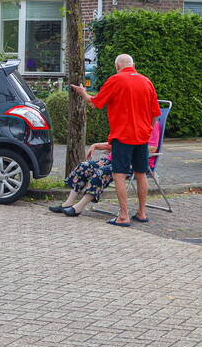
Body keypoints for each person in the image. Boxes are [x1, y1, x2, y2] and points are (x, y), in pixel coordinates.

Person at [72, 54, 161, 227]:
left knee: (118, 174)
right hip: (142, 137)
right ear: (133, 65)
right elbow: (155, 114)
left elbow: (95, 103)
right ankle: (142, 213)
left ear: (117, 66)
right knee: (141, 173)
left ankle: (124, 216)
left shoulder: (116, 80)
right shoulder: (146, 81)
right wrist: (148, 130)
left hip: (123, 136)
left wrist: (83, 93)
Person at [50, 120, 161, 217]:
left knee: (102, 172)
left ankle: (79, 207)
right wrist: (97, 145)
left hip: (132, 163)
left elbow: (152, 148)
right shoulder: (128, 121)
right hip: (113, 158)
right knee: (84, 166)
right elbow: (117, 143)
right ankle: (68, 203)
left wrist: (124, 150)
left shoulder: (152, 124)